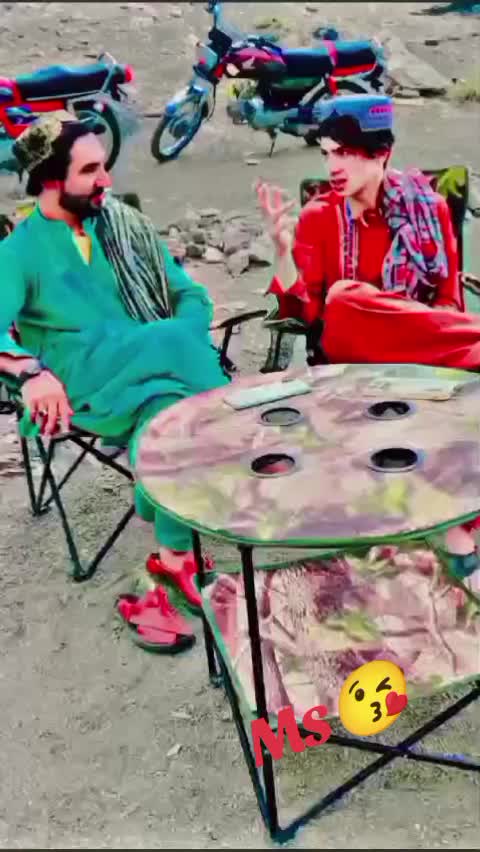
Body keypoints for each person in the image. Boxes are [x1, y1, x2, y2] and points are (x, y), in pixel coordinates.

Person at [0, 111, 230, 653]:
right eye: (90, 170)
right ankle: (229, 428)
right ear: (50, 181)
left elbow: (190, 295)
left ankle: (173, 556)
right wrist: (29, 373)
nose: (106, 179)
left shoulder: (123, 226)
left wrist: (184, 333)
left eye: (104, 166)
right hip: (81, 384)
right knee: (175, 356)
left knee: (168, 415)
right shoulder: (18, 252)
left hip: (154, 374)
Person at [256, 93, 480, 370]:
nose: (333, 167)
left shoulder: (430, 208)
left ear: (382, 153)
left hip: (425, 354)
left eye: (344, 153)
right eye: (326, 154)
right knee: (342, 300)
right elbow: (305, 315)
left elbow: (450, 301)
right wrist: (282, 252)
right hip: (352, 353)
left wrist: (410, 324)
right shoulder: (319, 216)